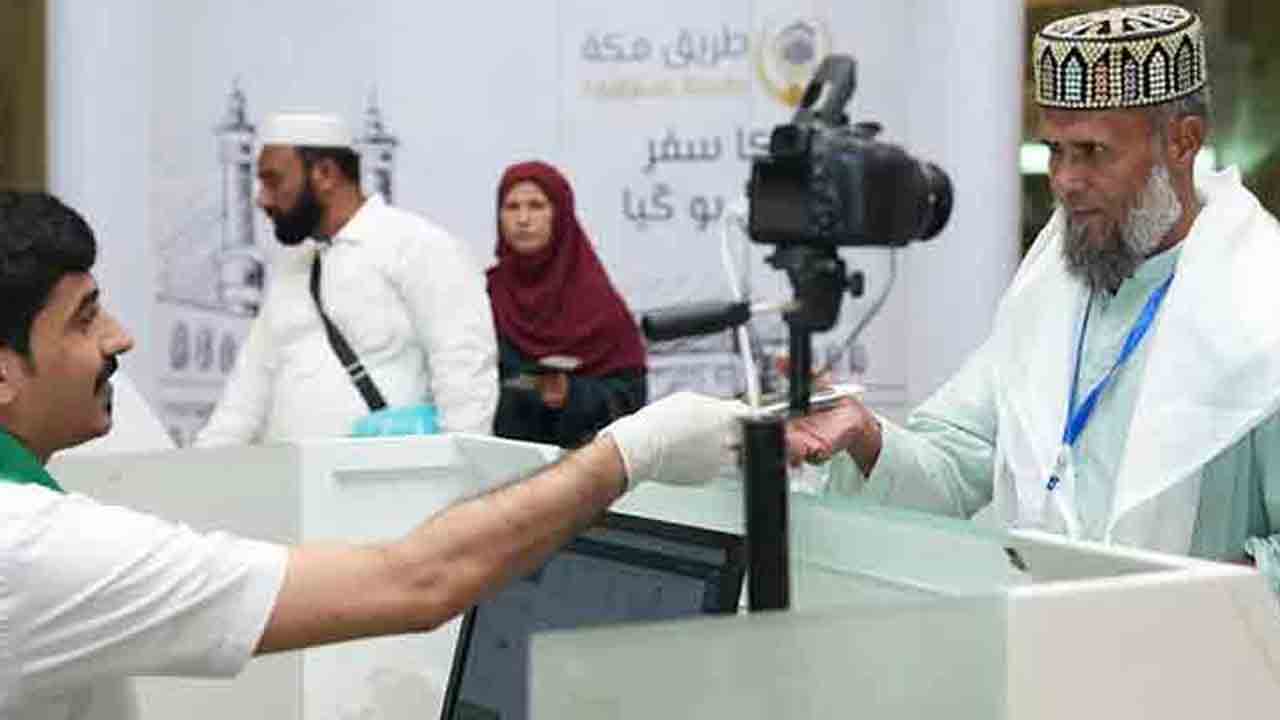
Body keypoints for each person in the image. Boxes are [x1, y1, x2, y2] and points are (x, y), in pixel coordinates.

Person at [0, 191, 745, 717]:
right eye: (84, 320)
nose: (120, 337)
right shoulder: (31, 549)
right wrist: (635, 449)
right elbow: (418, 582)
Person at [788, 5, 1280, 581]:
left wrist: (1191, 598)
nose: (1065, 182)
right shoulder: (1053, 285)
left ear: (1182, 141)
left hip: (1202, 638)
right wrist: (864, 435)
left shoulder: (1261, 304)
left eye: (1093, 152)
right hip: (1043, 629)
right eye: (1055, 151)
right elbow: (953, 460)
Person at [196, 111, 498, 445]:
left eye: (273, 181)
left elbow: (465, 379)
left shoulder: (419, 246)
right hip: (287, 475)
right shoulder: (292, 270)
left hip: (388, 475)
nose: (262, 199)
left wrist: (459, 472)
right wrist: (201, 467)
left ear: (325, 174)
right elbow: (243, 400)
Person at [488, 161, 648, 447]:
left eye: (536, 206)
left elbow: (631, 396)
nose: (523, 219)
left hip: (582, 463)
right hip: (497, 456)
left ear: (560, 214)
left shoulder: (597, 302)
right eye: (512, 207)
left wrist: (571, 395)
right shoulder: (485, 294)